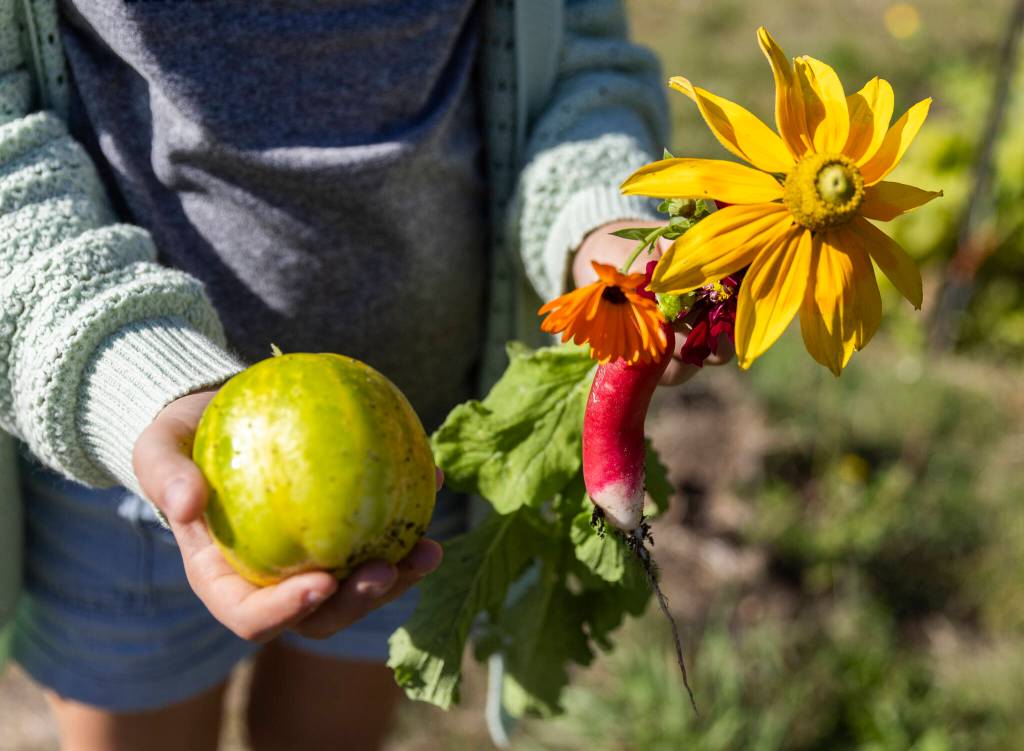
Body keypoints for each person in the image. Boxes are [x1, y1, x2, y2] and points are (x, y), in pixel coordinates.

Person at [0, 1, 729, 748]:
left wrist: (603, 234)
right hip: (130, 460)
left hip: (419, 455)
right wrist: (125, 366)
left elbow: (576, 57)